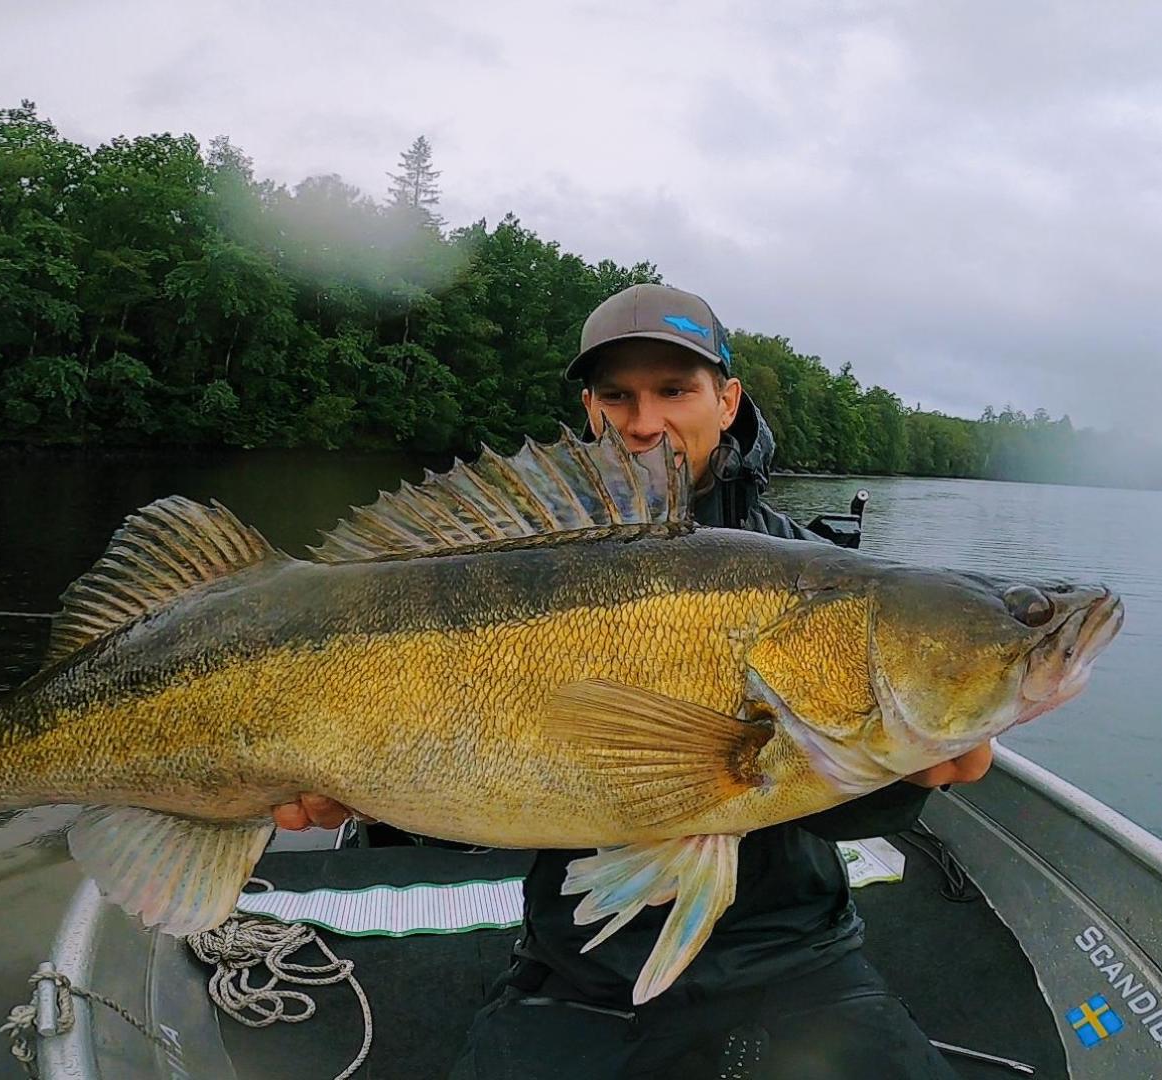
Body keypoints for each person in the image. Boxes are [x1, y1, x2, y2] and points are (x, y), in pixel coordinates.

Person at [274, 284, 992, 1078]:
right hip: (581, 958)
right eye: (616, 395)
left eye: (674, 390)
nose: (644, 422)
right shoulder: (510, 558)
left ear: (727, 400)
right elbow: (476, 788)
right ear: (590, 409)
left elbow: (841, 807)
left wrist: (914, 774)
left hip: (794, 958)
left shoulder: (824, 581)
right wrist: (361, 781)